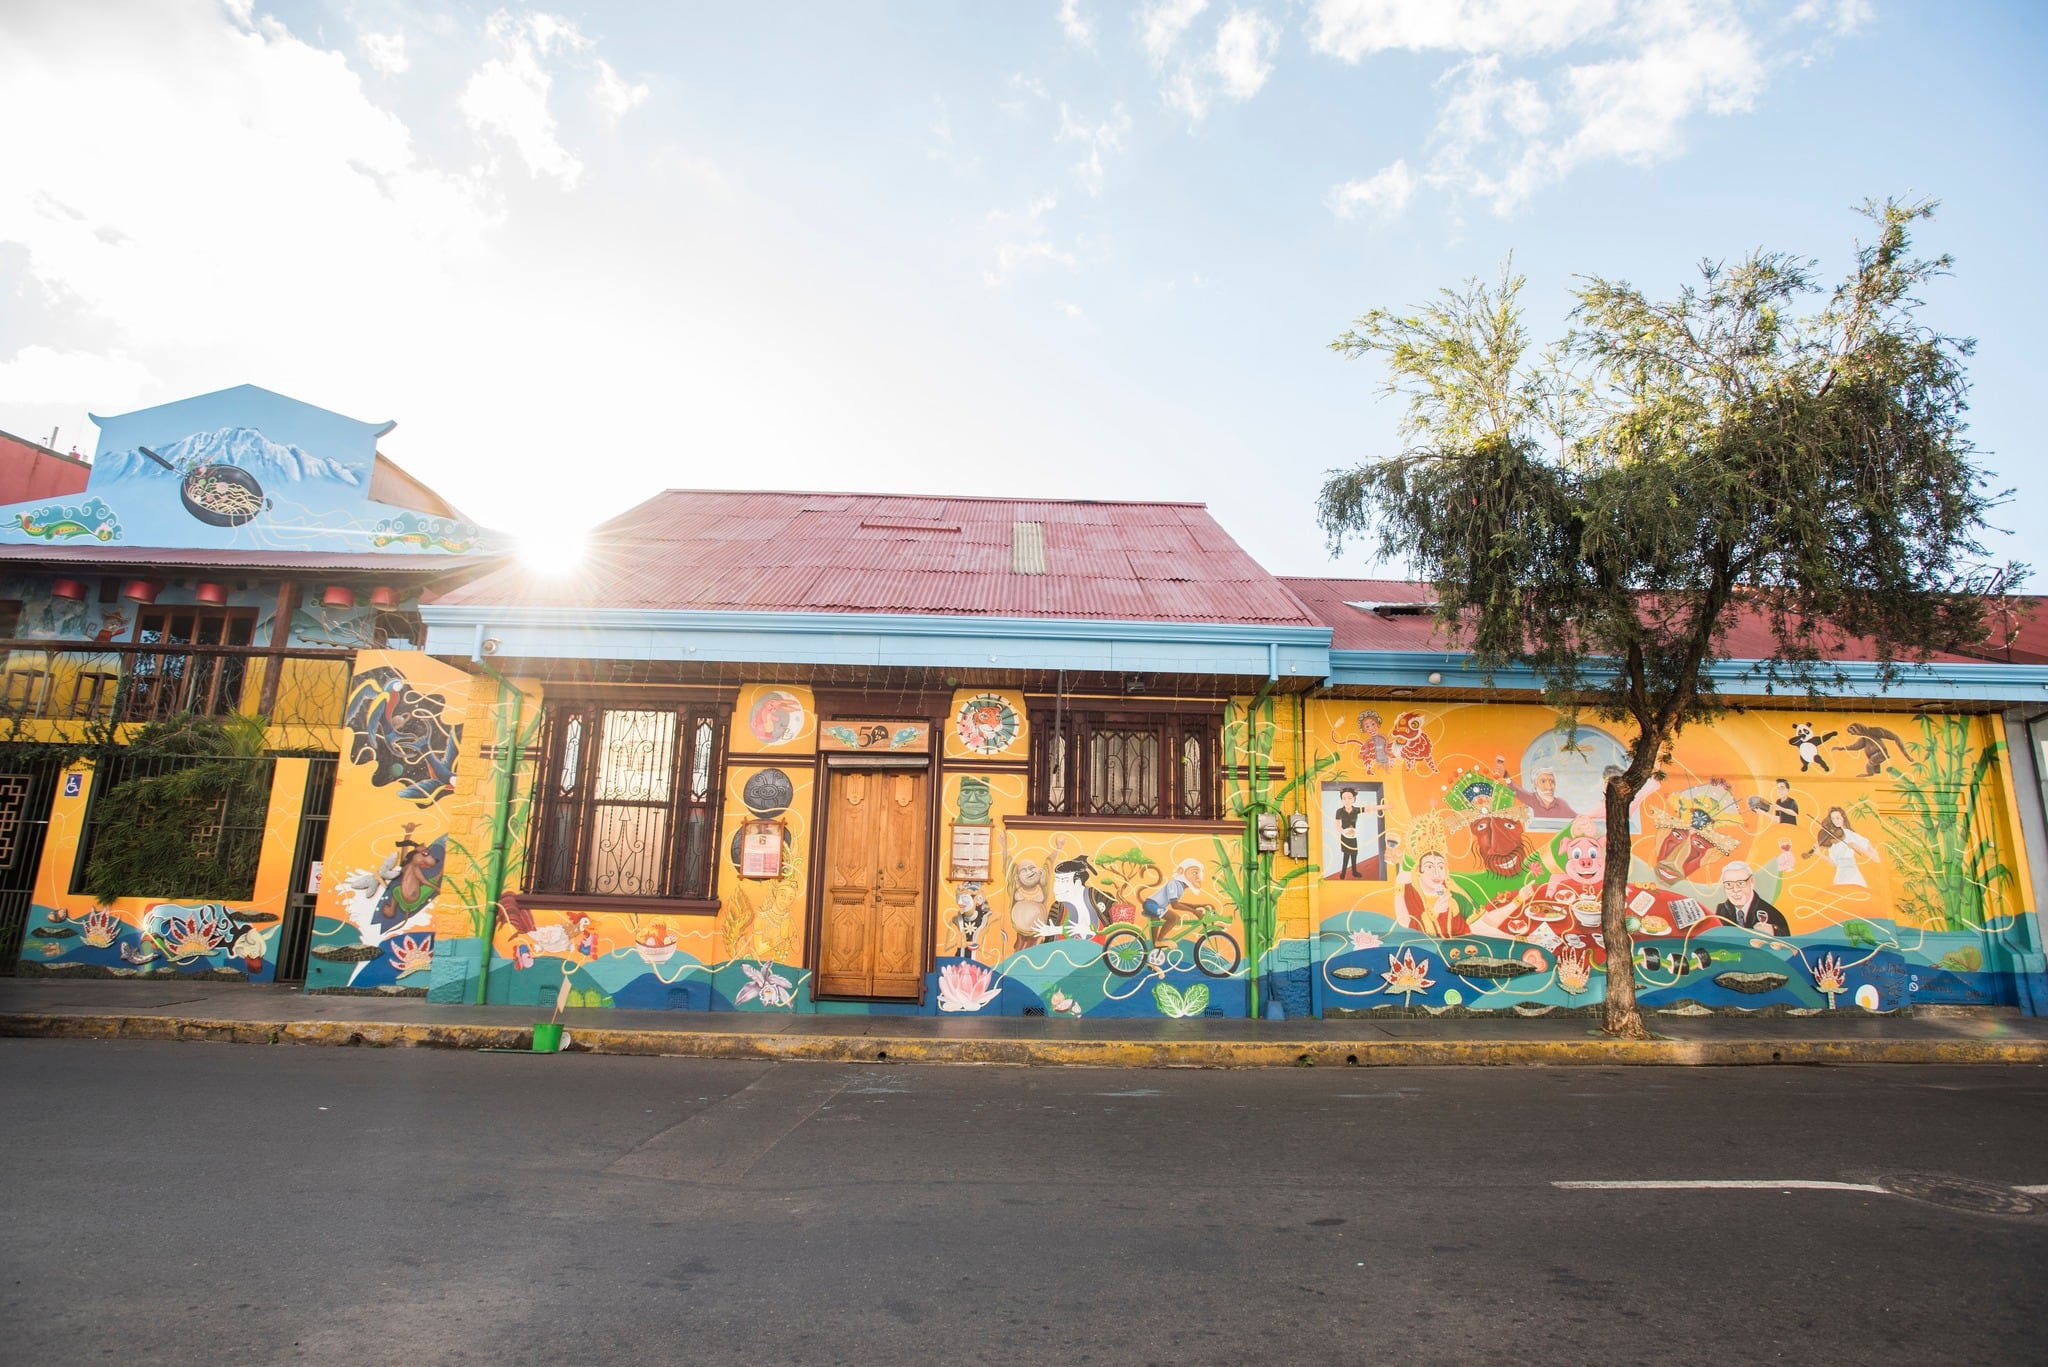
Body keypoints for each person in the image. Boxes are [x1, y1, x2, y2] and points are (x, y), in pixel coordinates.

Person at [1142, 859, 1212, 945]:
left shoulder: (1180, 887)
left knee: (1155, 932)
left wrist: (1197, 906)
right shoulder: (1173, 884)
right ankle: (1159, 941)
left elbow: (1177, 903)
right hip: (1151, 905)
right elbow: (1175, 905)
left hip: (1155, 906)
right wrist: (1194, 911)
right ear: (1181, 871)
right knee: (1174, 918)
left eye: (1198, 874)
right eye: (1194, 873)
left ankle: (1155, 947)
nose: (1197, 877)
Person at [1806, 807, 1879, 887]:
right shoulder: (1832, 839)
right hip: (1839, 878)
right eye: (1833, 819)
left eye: (1838, 818)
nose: (1835, 821)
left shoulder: (1851, 835)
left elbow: (1877, 858)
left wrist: (1858, 847)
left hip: (1853, 877)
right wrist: (1820, 854)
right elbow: (1834, 863)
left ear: (1843, 818)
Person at [1713, 861, 1791, 935]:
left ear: (1752, 882)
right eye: (1729, 884)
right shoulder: (1721, 911)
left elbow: (1789, 942)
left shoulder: (1770, 913)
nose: (1735, 889)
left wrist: (1773, 932)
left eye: (1740, 883)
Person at [1510, 767, 1577, 822]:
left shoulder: (1561, 804)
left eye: (1552, 782)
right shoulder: (1531, 799)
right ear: (1535, 785)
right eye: (1543, 781)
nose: (1549, 787)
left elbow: (1577, 819)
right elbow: (1515, 788)